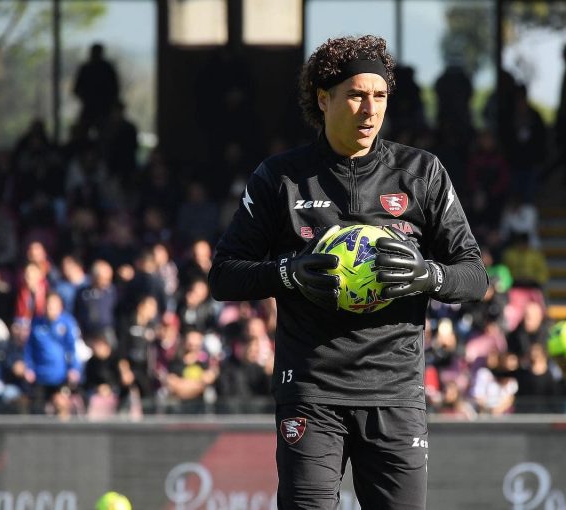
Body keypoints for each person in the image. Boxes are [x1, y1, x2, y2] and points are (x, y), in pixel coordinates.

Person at [209, 35, 488, 510]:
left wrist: (428, 276)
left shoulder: (422, 173)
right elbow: (223, 276)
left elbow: (475, 275)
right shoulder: (281, 178)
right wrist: (288, 272)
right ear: (324, 98)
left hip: (395, 392)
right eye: (356, 94)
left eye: (379, 96)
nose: (370, 109)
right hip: (311, 391)